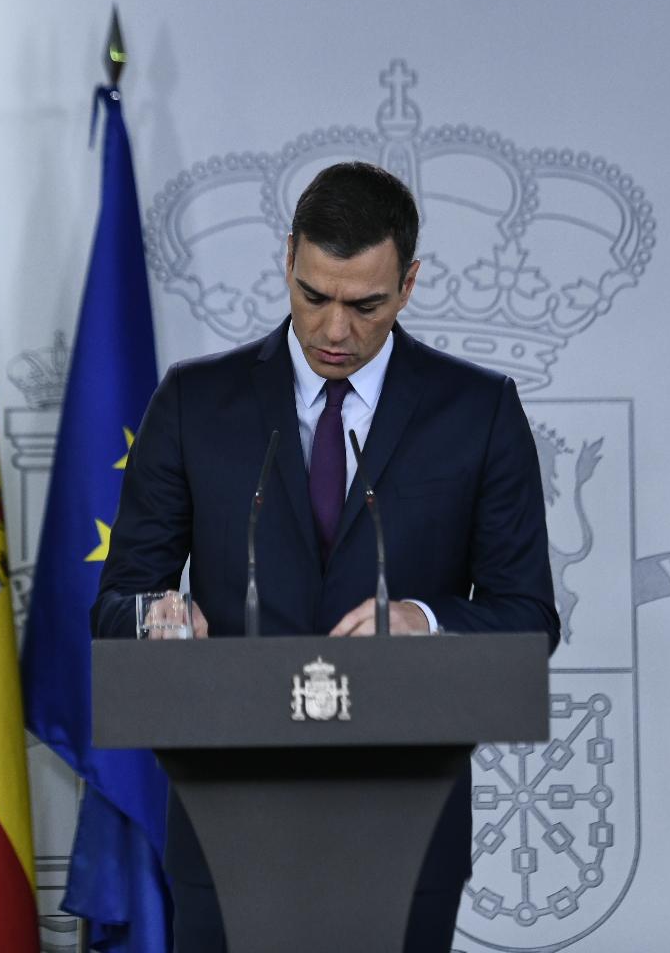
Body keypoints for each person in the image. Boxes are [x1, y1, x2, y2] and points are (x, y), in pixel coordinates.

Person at [91, 161, 559, 952]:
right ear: (287, 260)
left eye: (365, 305)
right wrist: (160, 619)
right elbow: (117, 601)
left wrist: (426, 621)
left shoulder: (477, 414)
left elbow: (529, 620)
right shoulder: (195, 404)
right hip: (227, 816)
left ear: (408, 284)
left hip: (404, 821)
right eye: (314, 297)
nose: (334, 330)